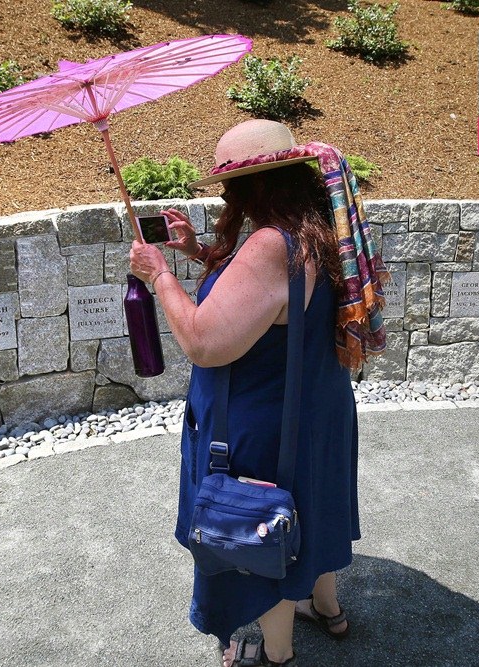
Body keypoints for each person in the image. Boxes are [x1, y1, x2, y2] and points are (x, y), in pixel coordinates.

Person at [128, 119, 388, 667]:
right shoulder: (318, 230)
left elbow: (204, 342)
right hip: (317, 408)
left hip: (265, 421)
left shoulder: (269, 245)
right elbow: (273, 300)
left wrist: (160, 277)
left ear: (253, 186)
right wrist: (201, 255)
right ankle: (327, 608)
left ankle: (276, 652)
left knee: (261, 533)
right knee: (310, 507)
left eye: (228, 186)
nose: (226, 196)